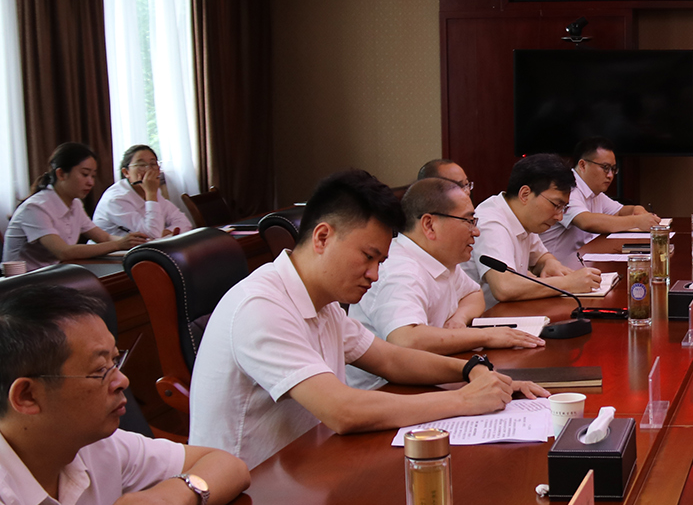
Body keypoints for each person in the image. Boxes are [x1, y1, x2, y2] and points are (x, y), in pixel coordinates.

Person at [190, 170, 545, 469]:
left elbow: (390, 359)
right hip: (251, 496)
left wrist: (472, 371)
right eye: (368, 257)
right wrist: (465, 400)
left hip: (308, 465)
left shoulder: (323, 302)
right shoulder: (261, 306)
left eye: (381, 261)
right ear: (323, 237)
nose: (375, 275)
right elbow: (342, 410)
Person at [0, 283, 249, 505]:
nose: (122, 381)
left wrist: (169, 498)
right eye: (100, 371)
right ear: (27, 396)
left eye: (116, 361)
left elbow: (228, 465)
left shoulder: (96, 444)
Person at [347, 177, 544, 388]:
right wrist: (485, 336)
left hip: (430, 376)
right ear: (429, 225)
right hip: (390, 392)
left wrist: (459, 319)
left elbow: (473, 294)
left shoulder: (439, 259)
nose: (476, 232)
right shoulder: (400, 270)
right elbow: (407, 339)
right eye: (468, 221)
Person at [469, 153, 604, 307]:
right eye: (556, 205)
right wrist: (567, 283)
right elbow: (504, 287)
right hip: (485, 318)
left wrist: (550, 263)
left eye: (563, 208)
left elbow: (541, 257)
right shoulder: (491, 222)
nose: (559, 216)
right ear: (525, 194)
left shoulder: (523, 217)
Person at [3, 144, 149, 271]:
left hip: (53, 275)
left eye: (93, 176)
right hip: (22, 282)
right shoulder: (35, 207)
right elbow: (63, 252)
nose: (91, 182)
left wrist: (135, 244)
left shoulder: (75, 204)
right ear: (61, 174)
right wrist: (118, 244)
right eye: (85, 174)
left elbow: (104, 237)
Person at [538, 138, 659, 268]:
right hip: (555, 269)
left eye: (613, 169)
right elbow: (586, 221)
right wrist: (636, 221)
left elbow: (620, 212)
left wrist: (637, 209)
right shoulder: (567, 187)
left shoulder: (594, 192)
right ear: (583, 165)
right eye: (605, 168)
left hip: (582, 262)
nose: (610, 175)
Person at [92, 144, 193, 238]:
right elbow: (152, 233)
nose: (149, 170)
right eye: (141, 165)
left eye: (153, 164)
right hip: (111, 250)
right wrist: (151, 194)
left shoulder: (153, 191)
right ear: (126, 172)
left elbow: (185, 223)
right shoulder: (116, 199)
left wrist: (165, 232)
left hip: (144, 248)